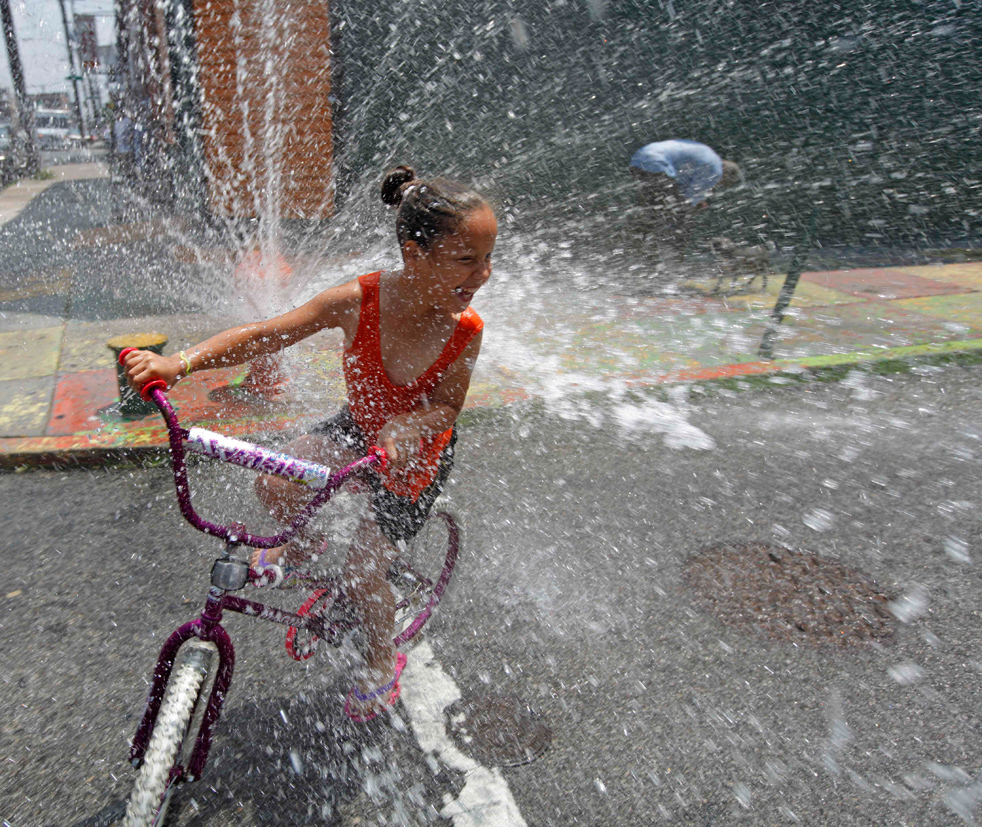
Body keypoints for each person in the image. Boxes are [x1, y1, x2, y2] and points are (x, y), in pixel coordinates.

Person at [123, 165, 496, 721]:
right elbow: (267, 333)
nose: (483, 274)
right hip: (359, 427)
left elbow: (447, 407)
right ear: (415, 256)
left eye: (488, 259)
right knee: (273, 480)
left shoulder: (465, 328)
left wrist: (408, 428)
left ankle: (379, 661)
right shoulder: (360, 300)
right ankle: (302, 547)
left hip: (415, 459)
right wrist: (180, 363)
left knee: (364, 573)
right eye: (468, 260)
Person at [628, 139, 741, 265]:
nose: (717, 185)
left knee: (651, 213)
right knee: (682, 218)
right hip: (658, 164)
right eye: (722, 183)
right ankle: (675, 264)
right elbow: (689, 200)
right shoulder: (716, 170)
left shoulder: (707, 154)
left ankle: (635, 250)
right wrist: (694, 205)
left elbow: (679, 188)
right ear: (725, 174)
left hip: (639, 159)